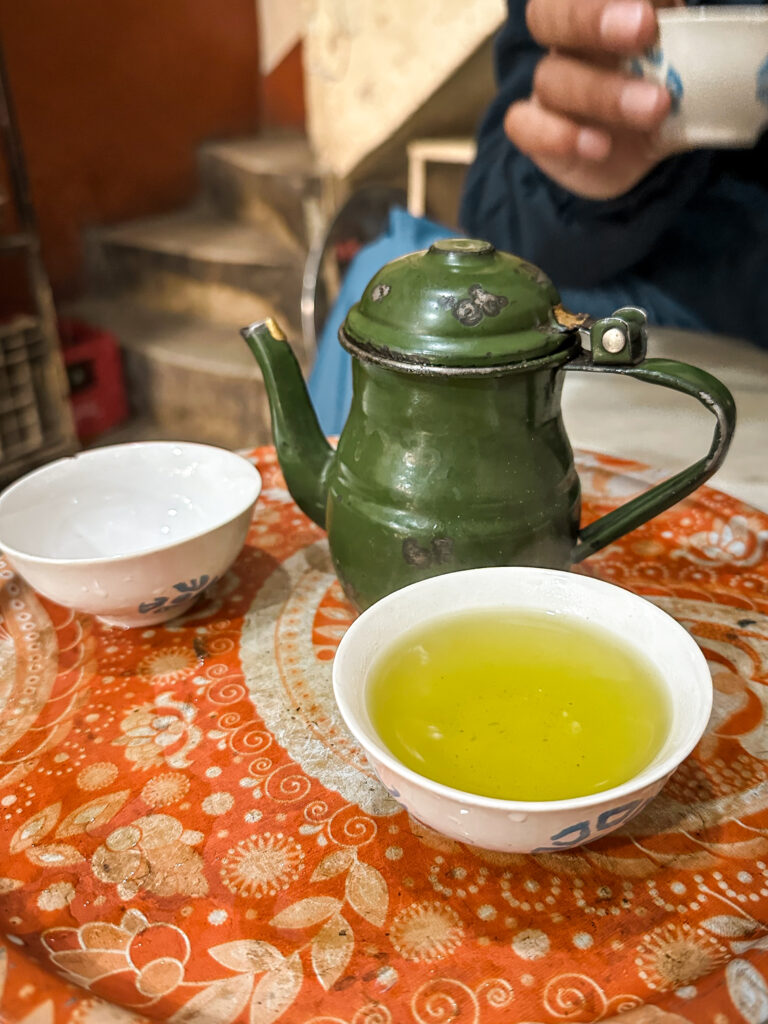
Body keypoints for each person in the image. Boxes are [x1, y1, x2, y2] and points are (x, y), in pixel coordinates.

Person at [460, 0, 768, 346]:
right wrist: (580, 178)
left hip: (694, 310)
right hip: (669, 300)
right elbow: (497, 216)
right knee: (461, 313)